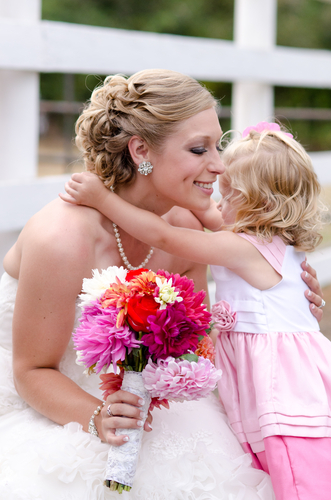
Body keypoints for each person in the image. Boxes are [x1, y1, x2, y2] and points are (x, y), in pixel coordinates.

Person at [0, 70, 321, 500]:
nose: (219, 165)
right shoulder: (61, 239)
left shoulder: (188, 227)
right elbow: (31, 370)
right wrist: (98, 414)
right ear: (141, 151)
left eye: (219, 145)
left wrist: (282, 302)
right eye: (198, 149)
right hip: (55, 398)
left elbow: (200, 340)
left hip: (149, 398)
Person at [61, 120, 330, 500]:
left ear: (260, 205)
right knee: (275, 469)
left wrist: (103, 199)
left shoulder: (244, 247)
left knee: (299, 478)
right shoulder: (268, 238)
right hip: (277, 377)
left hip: (281, 386)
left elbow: (165, 236)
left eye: (230, 194)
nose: (218, 204)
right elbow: (210, 216)